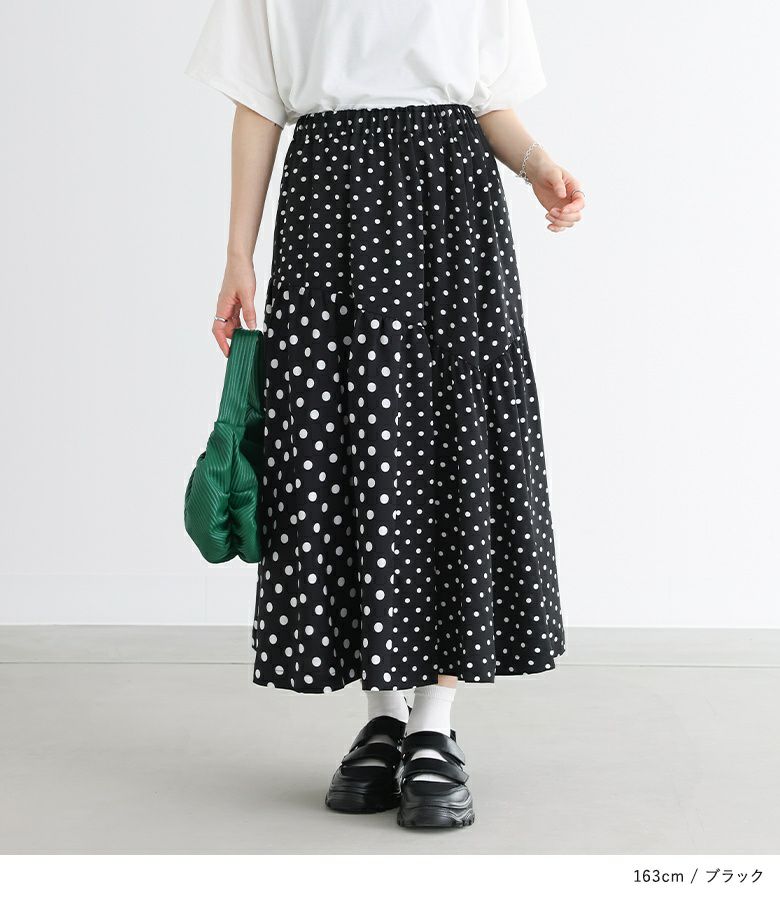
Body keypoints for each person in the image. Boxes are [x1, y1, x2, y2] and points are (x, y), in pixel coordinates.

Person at [186, 0, 583, 829]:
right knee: (343, 446)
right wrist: (236, 254)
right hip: (328, 204)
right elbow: (258, 99)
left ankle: (433, 725)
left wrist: (538, 163)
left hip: (451, 200)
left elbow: (487, 101)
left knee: (445, 445)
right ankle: (382, 718)